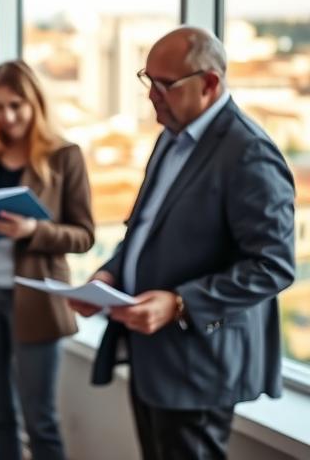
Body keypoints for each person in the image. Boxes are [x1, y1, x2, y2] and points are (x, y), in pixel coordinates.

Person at [70, 26, 296, 460]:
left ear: (209, 84)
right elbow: (145, 228)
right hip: (151, 352)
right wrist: (110, 272)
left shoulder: (249, 153)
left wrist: (179, 303)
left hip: (199, 363)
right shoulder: (170, 137)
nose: (152, 94)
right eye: (147, 79)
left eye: (165, 85)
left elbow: (274, 266)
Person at [0, 61, 94, 460]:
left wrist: (33, 232)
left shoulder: (65, 156)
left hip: (35, 300)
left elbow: (84, 235)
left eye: (15, 106)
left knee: (39, 419)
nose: (6, 117)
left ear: (35, 103)